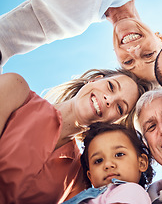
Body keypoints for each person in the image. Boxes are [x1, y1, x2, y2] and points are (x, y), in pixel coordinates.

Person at [0, 0, 162, 81]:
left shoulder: (63, 23)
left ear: (116, 55)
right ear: (161, 39)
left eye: (128, 62)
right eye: (148, 54)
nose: (133, 50)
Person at [0, 68, 151, 203]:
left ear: (114, 122)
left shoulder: (81, 177)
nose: (109, 100)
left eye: (119, 107)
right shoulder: (16, 90)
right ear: (96, 79)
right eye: (111, 86)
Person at [62, 122, 154, 204]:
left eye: (119, 154)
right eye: (98, 161)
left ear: (141, 163)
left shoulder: (132, 190)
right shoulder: (95, 197)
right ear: (91, 176)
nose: (108, 164)